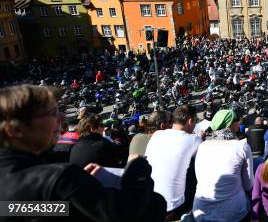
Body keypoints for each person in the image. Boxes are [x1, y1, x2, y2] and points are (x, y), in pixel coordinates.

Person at [0, 84, 166, 221]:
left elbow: (36, 209)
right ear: (14, 129)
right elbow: (127, 212)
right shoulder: (58, 178)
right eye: (52, 113)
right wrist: (137, 168)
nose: (62, 119)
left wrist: (79, 192)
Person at [192, 109, 253, 221]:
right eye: (237, 120)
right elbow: (248, 185)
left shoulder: (202, 146)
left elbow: (199, 177)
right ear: (230, 124)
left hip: (201, 211)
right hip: (233, 213)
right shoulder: (242, 147)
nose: (239, 122)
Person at [145, 105, 202, 219]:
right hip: (174, 206)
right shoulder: (195, 139)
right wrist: (200, 138)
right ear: (190, 121)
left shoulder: (157, 134)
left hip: (150, 200)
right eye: (195, 121)